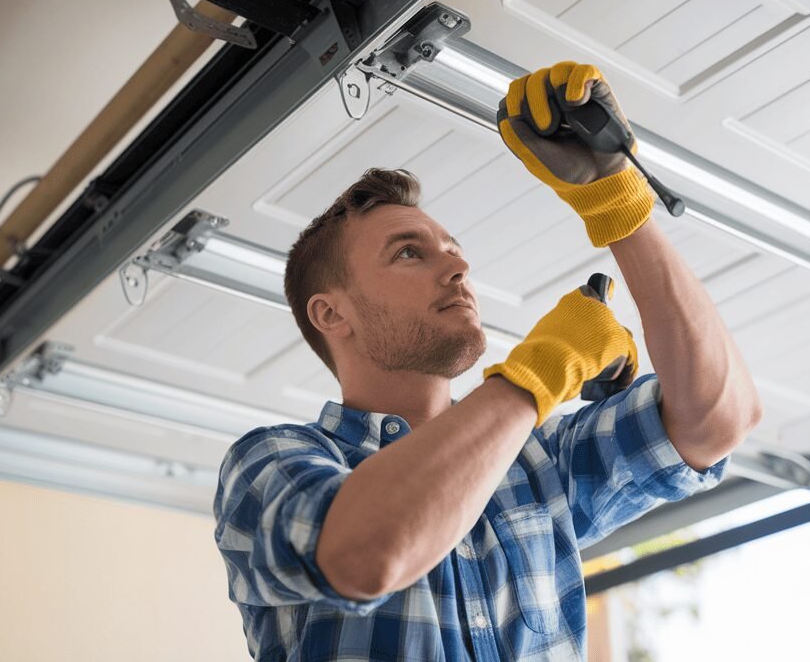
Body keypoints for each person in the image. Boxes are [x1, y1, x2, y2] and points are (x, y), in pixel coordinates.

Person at [213, 61, 763, 661]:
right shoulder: (270, 462)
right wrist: (541, 373)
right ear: (331, 315)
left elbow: (717, 421)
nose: (457, 268)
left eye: (453, 251)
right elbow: (366, 554)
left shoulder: (536, 463)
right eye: (408, 253)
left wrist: (619, 205)